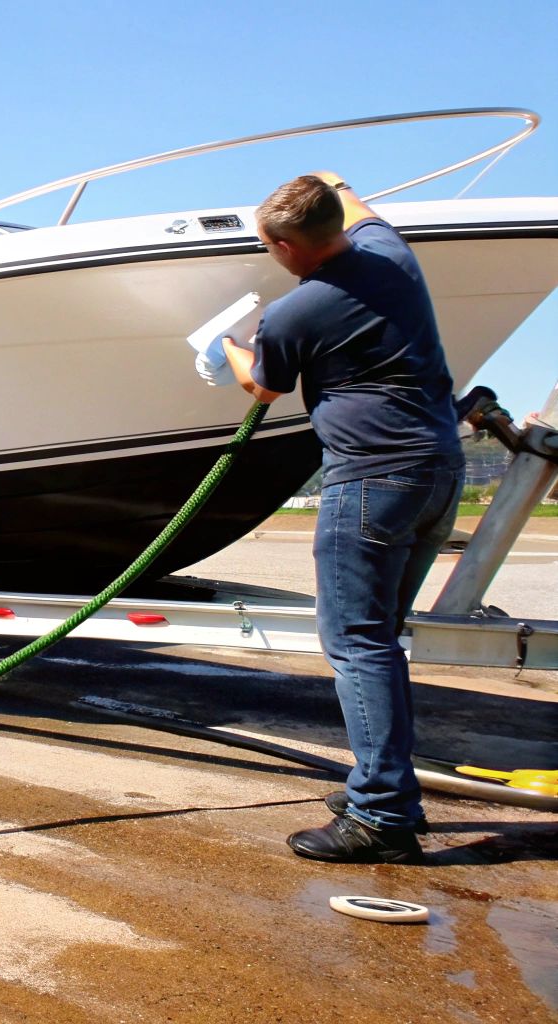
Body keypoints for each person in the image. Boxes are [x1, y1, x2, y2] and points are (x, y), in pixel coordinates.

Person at [221, 172, 464, 864]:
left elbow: (262, 386)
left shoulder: (301, 312)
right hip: (436, 473)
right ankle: (379, 785)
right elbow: (357, 205)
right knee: (379, 640)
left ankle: (381, 814)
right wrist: (331, 178)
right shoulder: (389, 254)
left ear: (283, 243)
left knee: (358, 645)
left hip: (371, 482)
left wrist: (224, 347)